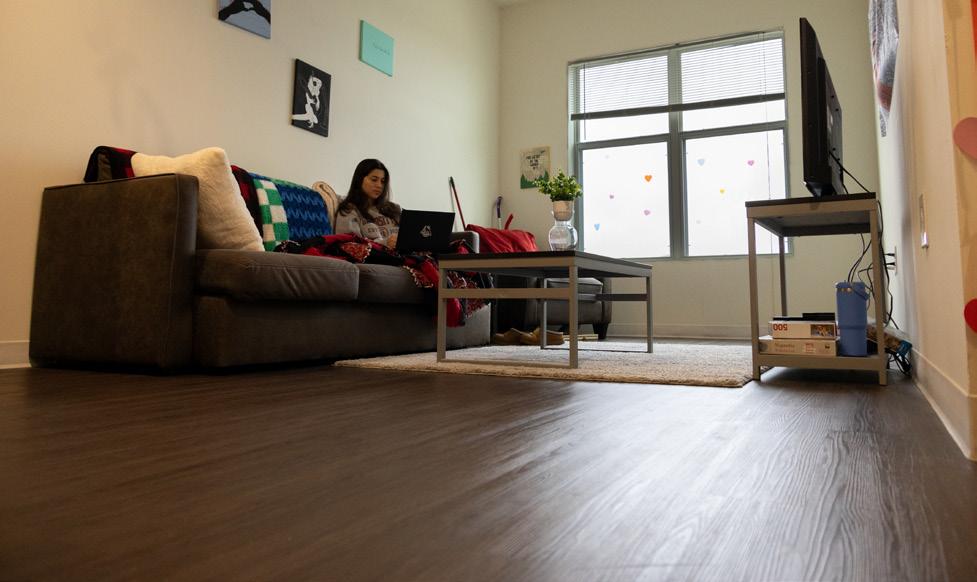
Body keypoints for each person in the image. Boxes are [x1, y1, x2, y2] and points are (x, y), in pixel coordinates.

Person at [334, 159, 401, 249]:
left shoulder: (394, 208)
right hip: (378, 255)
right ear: (359, 180)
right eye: (374, 180)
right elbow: (349, 245)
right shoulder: (349, 210)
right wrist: (385, 243)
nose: (379, 185)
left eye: (382, 181)